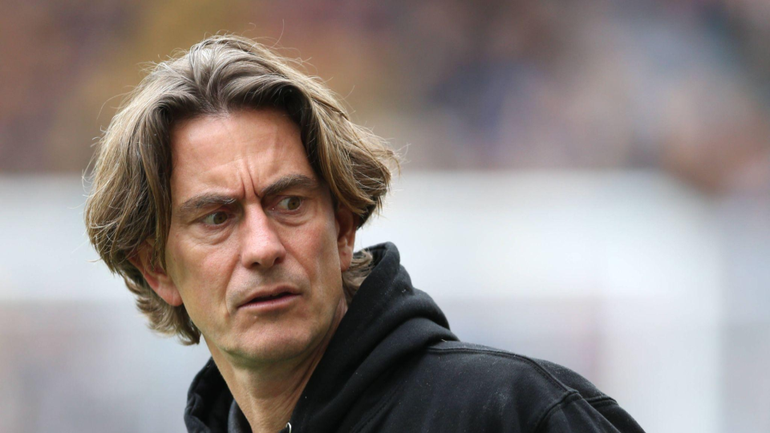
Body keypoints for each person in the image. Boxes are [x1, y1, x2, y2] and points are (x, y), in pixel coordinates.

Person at [84, 35, 645, 433]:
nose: (262, 248)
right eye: (217, 218)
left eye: (289, 203)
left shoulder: (513, 413)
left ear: (343, 228)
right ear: (157, 269)